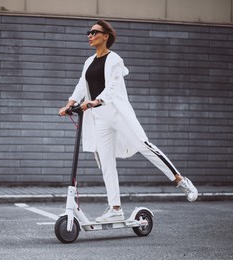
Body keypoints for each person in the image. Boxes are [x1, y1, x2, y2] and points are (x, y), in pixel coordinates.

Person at [59, 20, 198, 223]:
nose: (90, 35)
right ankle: (115, 208)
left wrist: (96, 101)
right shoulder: (89, 62)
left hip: (117, 113)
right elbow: (82, 84)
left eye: (94, 32)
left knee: (144, 145)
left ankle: (181, 180)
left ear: (106, 36)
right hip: (100, 118)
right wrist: (70, 103)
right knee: (106, 163)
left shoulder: (114, 59)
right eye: (88, 32)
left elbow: (113, 86)